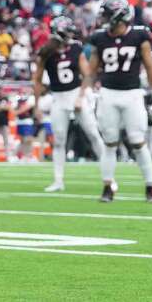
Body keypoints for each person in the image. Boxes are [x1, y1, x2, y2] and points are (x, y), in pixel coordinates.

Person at [86, 0, 152, 203]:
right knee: (110, 142)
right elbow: (92, 70)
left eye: (107, 15)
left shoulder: (138, 35)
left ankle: (150, 187)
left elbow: (149, 66)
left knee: (138, 141)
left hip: (132, 94)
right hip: (108, 93)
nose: (103, 19)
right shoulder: (100, 38)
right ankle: (107, 187)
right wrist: (85, 90)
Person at [34, 15, 105, 192]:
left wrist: (81, 97)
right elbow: (36, 81)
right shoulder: (46, 52)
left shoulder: (76, 48)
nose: (70, 36)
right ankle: (58, 180)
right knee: (59, 140)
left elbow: (87, 74)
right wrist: (36, 105)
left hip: (75, 94)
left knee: (93, 134)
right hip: (58, 97)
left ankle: (108, 174)